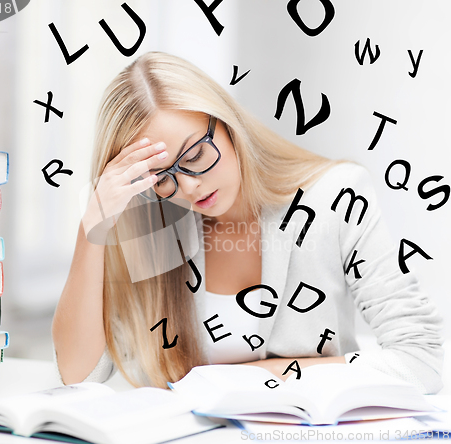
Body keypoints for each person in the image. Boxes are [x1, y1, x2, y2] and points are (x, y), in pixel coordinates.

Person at [52, 51, 443, 394]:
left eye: (195, 155)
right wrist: (93, 230)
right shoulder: (153, 220)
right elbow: (79, 376)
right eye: (162, 175)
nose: (188, 186)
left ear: (227, 124)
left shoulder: (335, 195)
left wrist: (265, 375)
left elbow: (419, 361)